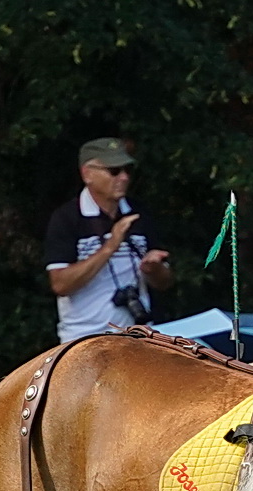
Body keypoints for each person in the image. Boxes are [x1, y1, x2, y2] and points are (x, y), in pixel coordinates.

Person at [43, 137, 173, 343]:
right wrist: (110, 246)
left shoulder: (138, 213)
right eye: (114, 171)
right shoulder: (67, 218)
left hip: (139, 337)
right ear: (87, 174)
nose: (123, 178)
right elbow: (60, 284)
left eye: (127, 170)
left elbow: (164, 282)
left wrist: (154, 269)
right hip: (85, 340)